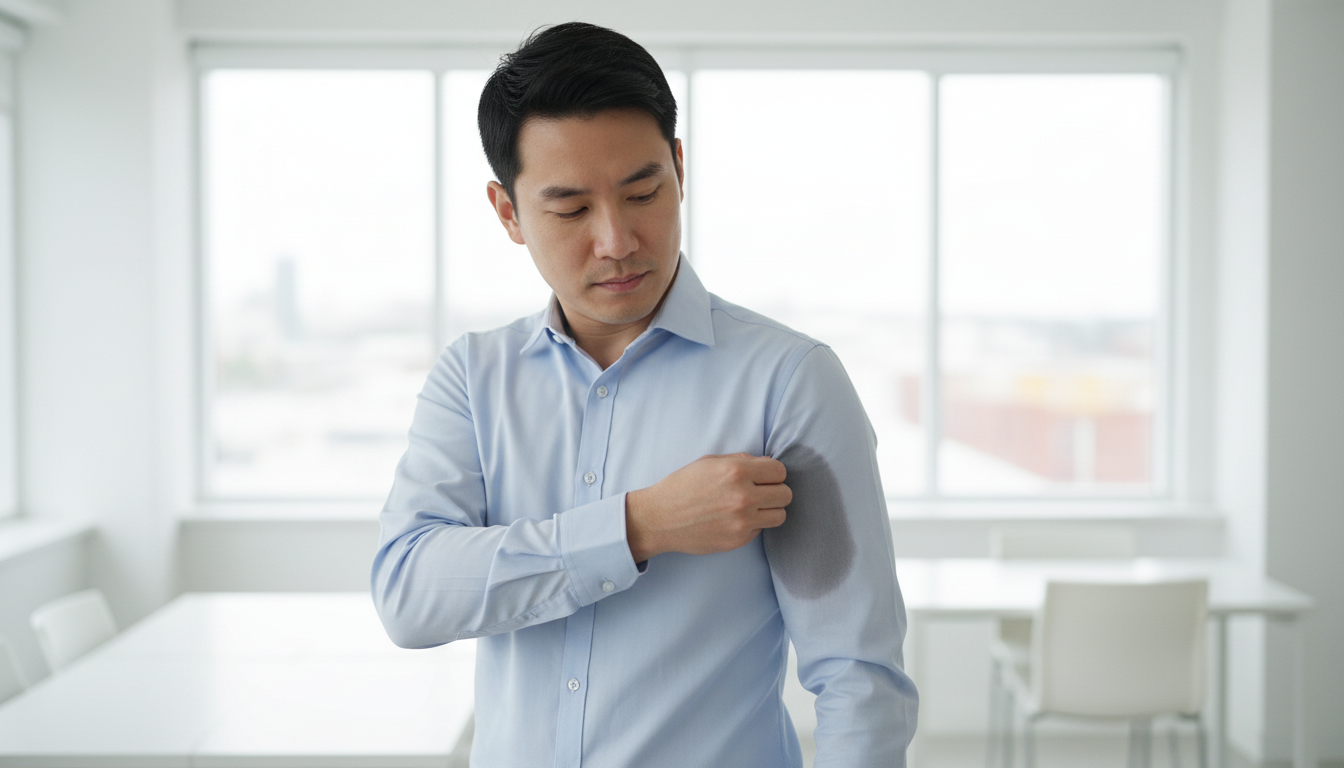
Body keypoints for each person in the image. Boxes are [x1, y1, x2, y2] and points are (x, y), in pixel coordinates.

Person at [371, 21, 919, 768]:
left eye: (642, 192)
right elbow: (409, 593)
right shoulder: (473, 379)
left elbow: (858, 675)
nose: (618, 240)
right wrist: (638, 526)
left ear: (681, 170)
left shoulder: (788, 381)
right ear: (508, 213)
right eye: (569, 209)